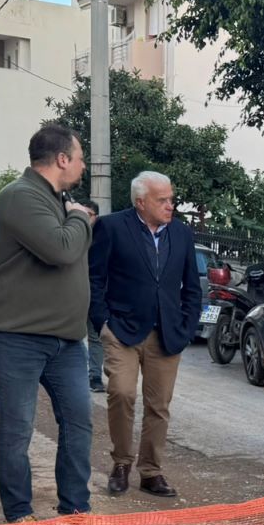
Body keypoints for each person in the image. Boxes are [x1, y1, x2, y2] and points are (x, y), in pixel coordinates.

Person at [0, 123, 104, 525]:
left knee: (79, 422)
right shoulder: (19, 196)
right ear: (62, 159)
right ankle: (19, 513)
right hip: (15, 337)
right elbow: (60, 250)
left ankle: (75, 509)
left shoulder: (56, 200)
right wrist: (81, 219)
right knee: (17, 429)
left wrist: (73, 216)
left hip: (66, 340)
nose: (83, 166)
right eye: (80, 158)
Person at [88, 171, 201, 498]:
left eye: (171, 199)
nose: (170, 205)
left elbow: (192, 287)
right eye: (162, 200)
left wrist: (186, 326)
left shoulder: (181, 233)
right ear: (141, 202)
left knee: (159, 405)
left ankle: (151, 472)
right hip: (122, 331)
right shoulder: (111, 227)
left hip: (167, 334)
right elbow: (93, 279)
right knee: (121, 393)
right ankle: (121, 463)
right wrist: (102, 323)